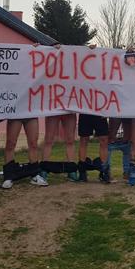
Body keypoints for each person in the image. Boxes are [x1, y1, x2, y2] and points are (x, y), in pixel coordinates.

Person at [39, 43, 78, 182]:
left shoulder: (72, 67)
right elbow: (35, 63)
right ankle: (43, 168)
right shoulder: (47, 66)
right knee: (49, 138)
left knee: (70, 139)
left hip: (69, 106)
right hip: (53, 106)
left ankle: (71, 169)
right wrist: (37, 49)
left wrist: (89, 50)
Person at [2, 117, 44, 189]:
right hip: (16, 114)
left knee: (33, 143)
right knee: (11, 143)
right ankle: (8, 176)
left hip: (31, 114)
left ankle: (35, 174)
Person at [77, 114, 110, 183]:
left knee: (104, 140)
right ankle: (82, 172)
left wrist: (107, 112)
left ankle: (104, 171)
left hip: (99, 111)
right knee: (83, 139)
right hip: (85, 111)